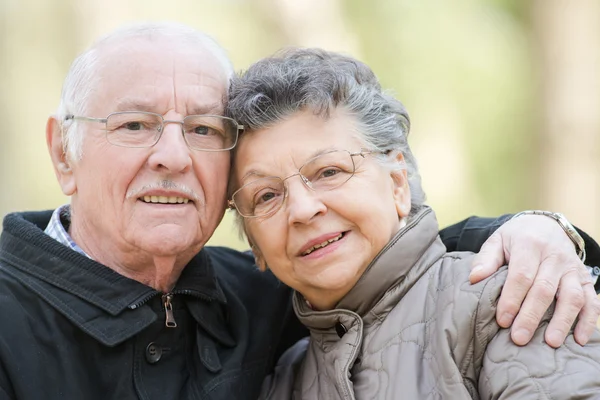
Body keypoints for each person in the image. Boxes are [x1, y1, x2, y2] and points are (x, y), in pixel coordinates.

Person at [0, 22, 598, 400]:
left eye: (205, 129)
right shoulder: (11, 317)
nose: (174, 157)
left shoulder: (261, 295)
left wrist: (534, 231)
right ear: (63, 152)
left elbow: (394, 268)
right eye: (135, 125)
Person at [225, 47, 600, 399]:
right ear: (255, 246)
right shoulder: (280, 383)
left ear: (397, 182)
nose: (303, 210)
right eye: (267, 196)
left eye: (328, 171)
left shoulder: (509, 300)